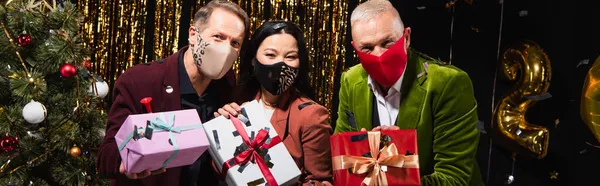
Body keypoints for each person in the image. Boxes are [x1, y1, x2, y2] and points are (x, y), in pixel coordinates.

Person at [96, 0, 249, 185]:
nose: (226, 49)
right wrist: (125, 161)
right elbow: (106, 156)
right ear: (193, 35)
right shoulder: (139, 81)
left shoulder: (227, 84)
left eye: (235, 43)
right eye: (218, 36)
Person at [334, 0, 484, 185]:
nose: (379, 55)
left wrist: (403, 166)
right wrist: (360, 147)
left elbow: (454, 177)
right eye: (367, 48)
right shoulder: (351, 80)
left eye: (387, 43)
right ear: (355, 48)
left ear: (406, 38)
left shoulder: (448, 83)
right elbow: (344, 160)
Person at [216, 20, 333, 186]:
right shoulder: (238, 100)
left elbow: (321, 182)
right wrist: (223, 131)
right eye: (271, 55)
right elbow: (220, 169)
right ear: (253, 59)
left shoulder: (311, 115)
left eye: (290, 57)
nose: (281, 64)